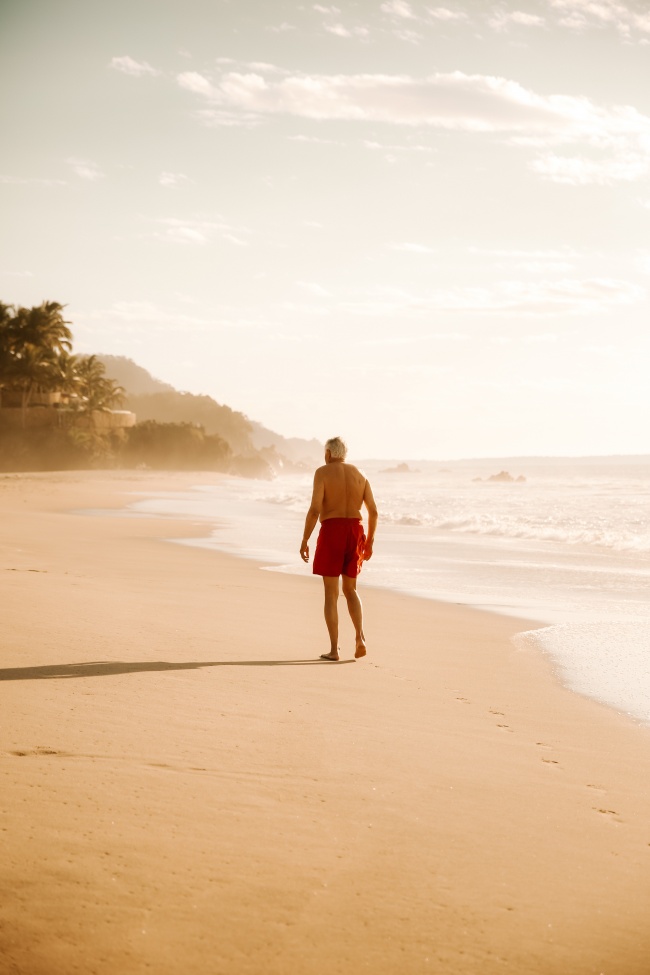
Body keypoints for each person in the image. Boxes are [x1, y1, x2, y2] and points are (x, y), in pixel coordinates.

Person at [300, 436, 378, 661]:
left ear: (327, 454)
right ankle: (359, 637)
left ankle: (334, 650)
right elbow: (373, 511)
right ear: (344, 454)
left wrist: (305, 539)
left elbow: (315, 509)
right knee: (351, 590)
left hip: (332, 530)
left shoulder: (322, 473)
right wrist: (370, 541)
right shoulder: (361, 475)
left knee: (331, 594)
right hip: (355, 530)